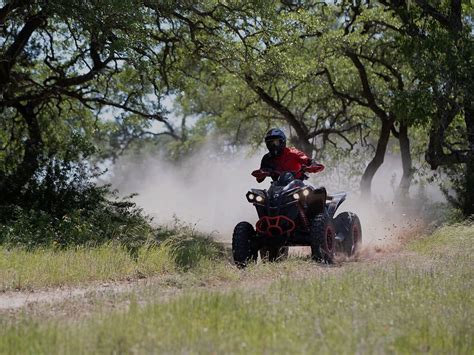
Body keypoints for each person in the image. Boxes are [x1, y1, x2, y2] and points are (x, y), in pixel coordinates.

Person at [251, 128, 324, 183]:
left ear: (282, 142)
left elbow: (308, 160)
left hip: (299, 183)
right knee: (263, 199)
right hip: (278, 187)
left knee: (314, 192)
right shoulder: (267, 158)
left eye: (276, 142)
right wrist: (262, 173)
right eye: (270, 143)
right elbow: (259, 180)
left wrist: (313, 165)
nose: (273, 145)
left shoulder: (293, 153)